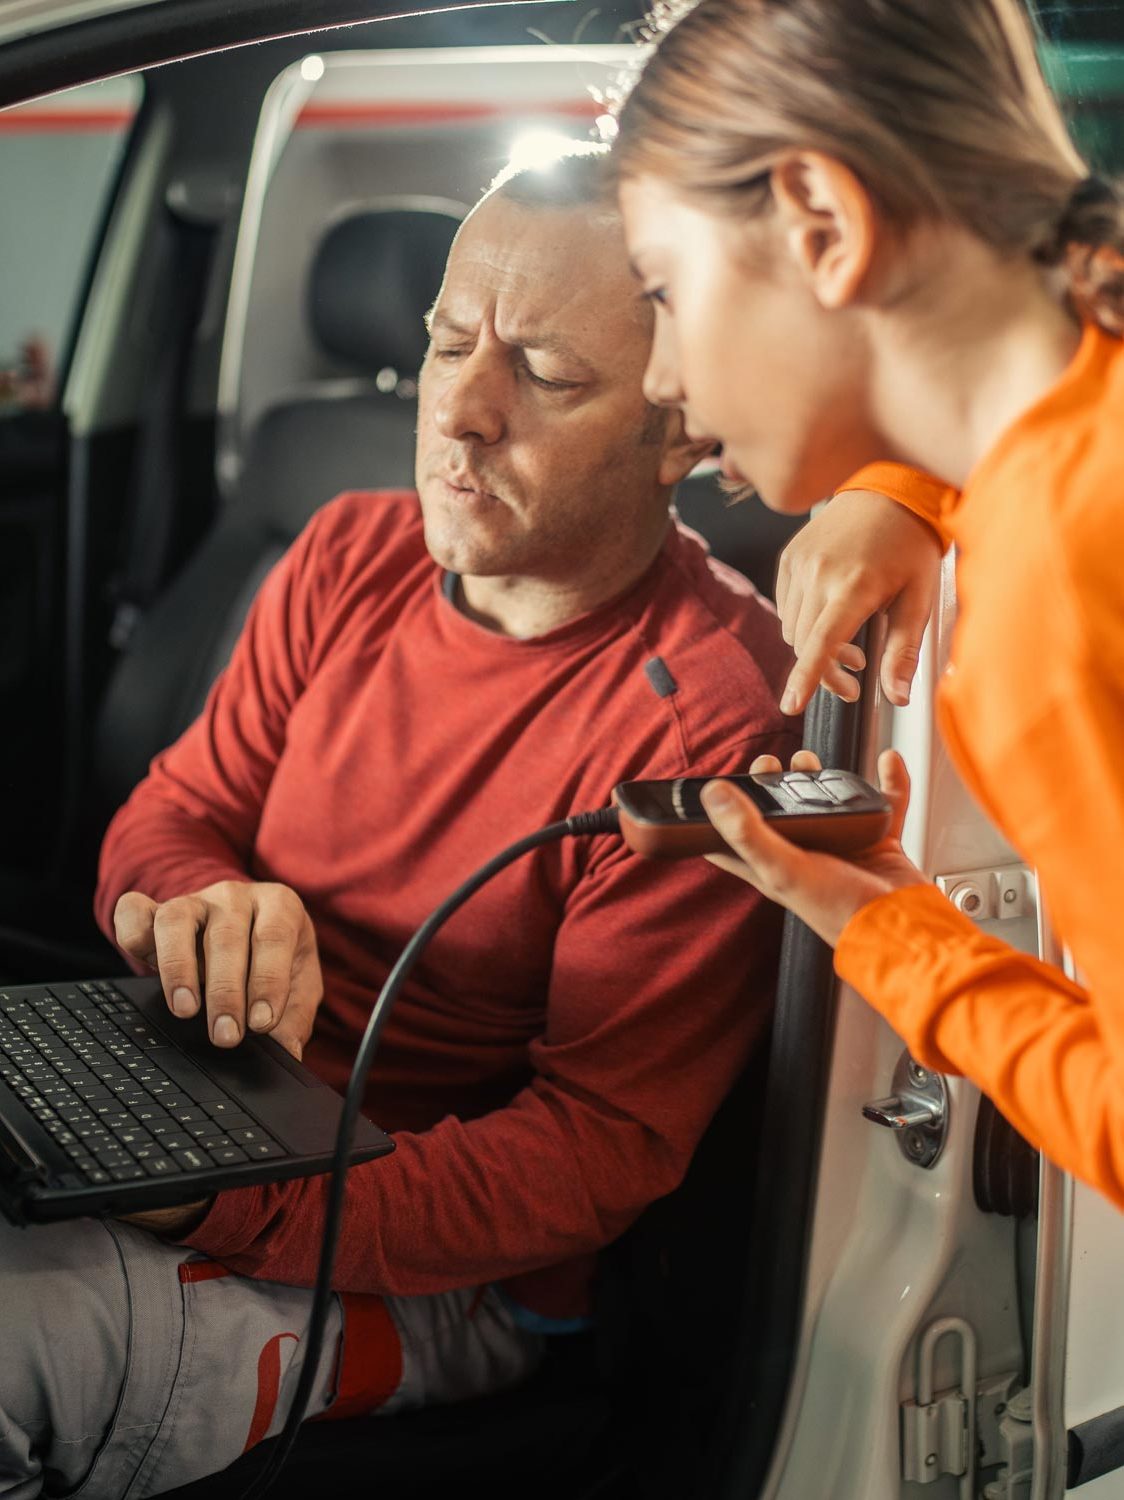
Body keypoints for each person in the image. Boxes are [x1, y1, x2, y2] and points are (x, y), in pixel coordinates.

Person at [0, 147, 808, 1498]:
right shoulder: (346, 552)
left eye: (546, 375)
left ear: (688, 425)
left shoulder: (710, 725)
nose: (463, 413)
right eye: (446, 345)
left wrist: (228, 1203)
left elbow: (594, 1153)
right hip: (189, 1110)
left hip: (433, 1266)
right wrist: (190, 903)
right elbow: (172, 814)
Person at [612, 0, 1124, 1209]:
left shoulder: (1050, 585)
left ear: (822, 225)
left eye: (665, 290)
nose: (659, 379)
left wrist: (902, 946)